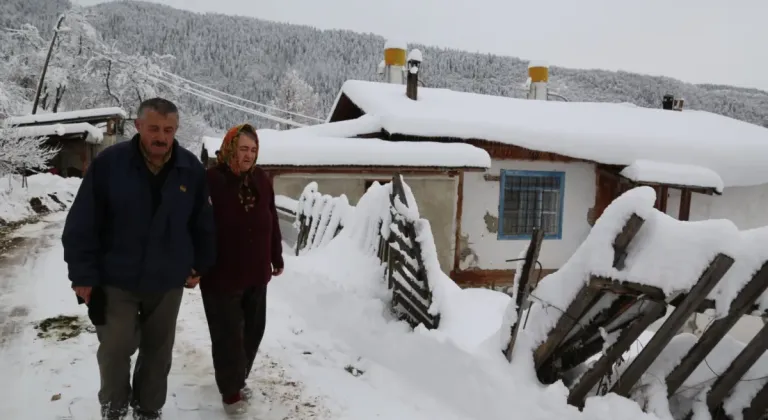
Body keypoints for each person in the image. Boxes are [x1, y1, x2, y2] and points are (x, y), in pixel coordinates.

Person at [61, 98, 216, 420]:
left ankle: (148, 409)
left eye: (169, 130)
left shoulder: (190, 168)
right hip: (116, 277)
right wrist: (82, 275)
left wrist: (200, 264)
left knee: (158, 352)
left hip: (167, 278)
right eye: (155, 128)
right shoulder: (110, 164)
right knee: (116, 349)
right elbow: (82, 222)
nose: (162, 136)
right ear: (138, 126)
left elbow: (202, 223)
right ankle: (114, 408)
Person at [201, 123, 284, 415]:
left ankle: (238, 376)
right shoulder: (211, 180)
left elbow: (271, 218)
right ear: (229, 148)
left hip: (255, 272)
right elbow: (197, 224)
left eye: (253, 150)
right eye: (242, 149)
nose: (248, 155)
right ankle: (231, 391)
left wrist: (276, 255)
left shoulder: (261, 179)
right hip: (220, 275)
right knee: (227, 337)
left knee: (253, 331)